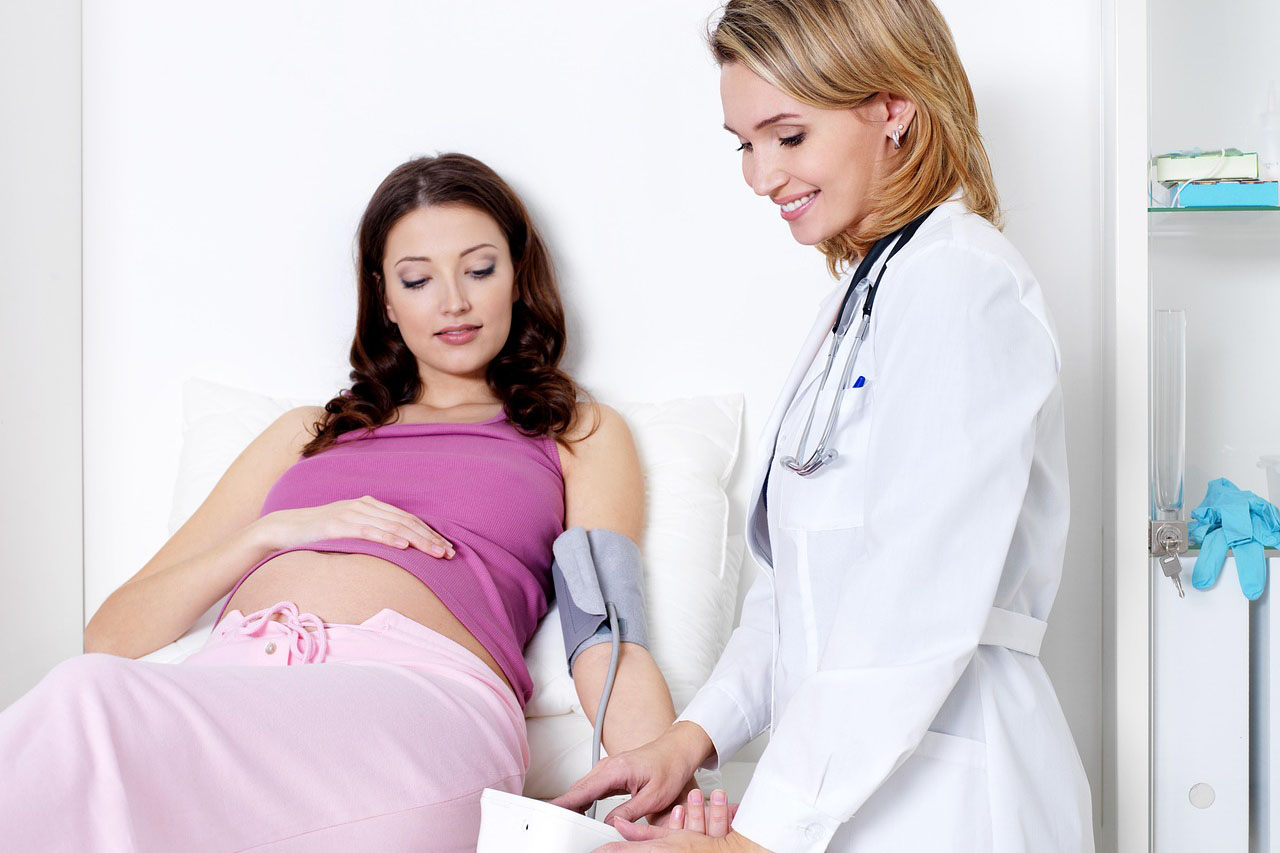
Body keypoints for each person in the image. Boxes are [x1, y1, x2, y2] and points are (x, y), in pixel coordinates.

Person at [0, 153, 681, 852]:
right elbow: (110, 635)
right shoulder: (307, 432)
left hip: (418, 704)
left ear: (518, 277)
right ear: (385, 298)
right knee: (83, 707)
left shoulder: (572, 432)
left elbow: (607, 634)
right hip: (234, 684)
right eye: (418, 279)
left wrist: (670, 805)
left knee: (88, 702)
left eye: (479, 269)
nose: (453, 300)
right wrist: (270, 533)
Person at [552, 1, 1095, 850]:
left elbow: (913, 598)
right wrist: (689, 739)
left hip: (950, 794)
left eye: (788, 136)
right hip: (845, 784)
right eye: (744, 142)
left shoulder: (959, 283)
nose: (760, 176)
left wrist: (757, 835)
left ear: (893, 110)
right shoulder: (864, 294)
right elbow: (795, 594)